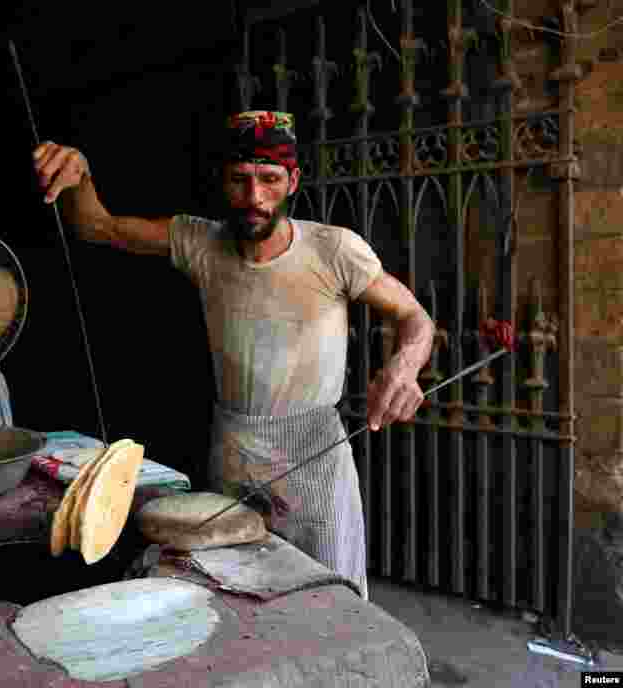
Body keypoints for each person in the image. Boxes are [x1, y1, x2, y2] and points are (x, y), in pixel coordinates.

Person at [32, 110, 435, 598]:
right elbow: (98, 227)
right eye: (240, 180)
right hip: (233, 446)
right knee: (235, 593)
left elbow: (415, 318)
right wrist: (81, 175)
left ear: (293, 181)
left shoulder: (335, 250)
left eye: (269, 179)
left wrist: (404, 364)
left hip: (315, 452)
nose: (255, 197)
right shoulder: (201, 241)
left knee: (334, 601)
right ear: (223, 182)